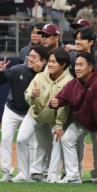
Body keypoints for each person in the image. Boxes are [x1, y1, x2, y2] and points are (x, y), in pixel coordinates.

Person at [15, 49, 73, 183]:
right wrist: (31, 95)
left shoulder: (69, 81)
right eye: (49, 61)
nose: (50, 64)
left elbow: (64, 107)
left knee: (58, 141)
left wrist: (59, 125)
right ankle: (24, 174)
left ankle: (53, 175)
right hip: (34, 114)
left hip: (54, 118)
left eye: (54, 62)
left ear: (63, 65)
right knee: (21, 139)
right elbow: (27, 94)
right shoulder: (40, 76)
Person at [49, 53, 97, 184]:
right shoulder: (74, 83)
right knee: (67, 138)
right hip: (82, 122)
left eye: (81, 65)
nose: (77, 68)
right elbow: (61, 97)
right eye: (76, 65)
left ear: (90, 67)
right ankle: (73, 175)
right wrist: (54, 103)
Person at [0, 45, 49, 182]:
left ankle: (29, 172)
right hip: (12, 109)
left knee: (32, 143)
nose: (30, 59)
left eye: (34, 57)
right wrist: (0, 72)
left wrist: (43, 70)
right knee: (6, 138)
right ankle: (7, 171)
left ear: (43, 61)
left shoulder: (47, 74)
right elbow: (0, 81)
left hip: (31, 112)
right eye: (29, 56)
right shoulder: (18, 69)